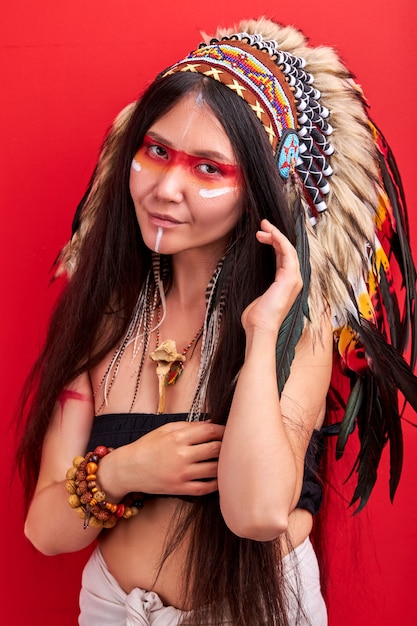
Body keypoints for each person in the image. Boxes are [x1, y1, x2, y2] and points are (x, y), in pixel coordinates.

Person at [17, 16, 417, 626]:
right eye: (155, 152)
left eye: (208, 168)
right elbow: (46, 530)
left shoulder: (295, 332)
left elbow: (258, 513)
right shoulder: (103, 320)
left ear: (258, 185)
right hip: (110, 611)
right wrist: (125, 470)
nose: (166, 188)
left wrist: (260, 336)